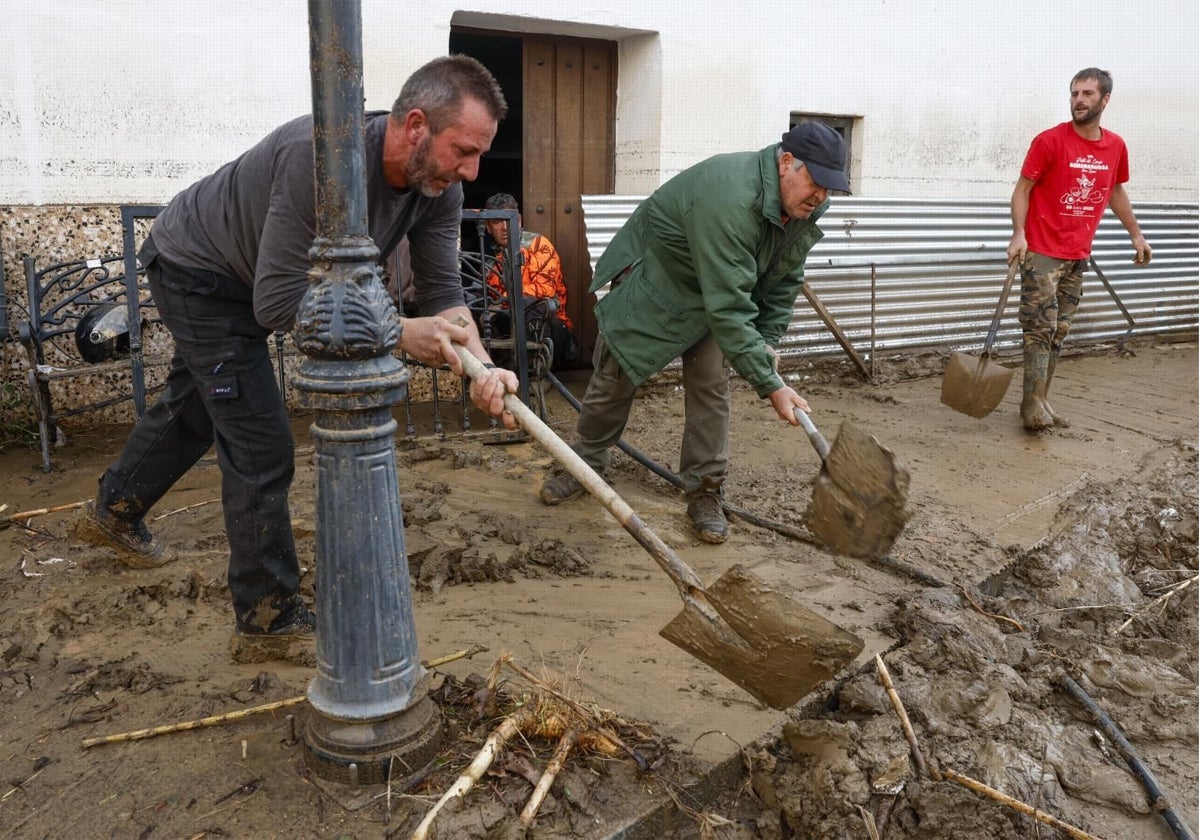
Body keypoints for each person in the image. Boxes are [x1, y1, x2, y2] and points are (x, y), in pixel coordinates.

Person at [76, 55, 519, 661]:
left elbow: (445, 296)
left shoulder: (438, 189)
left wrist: (481, 366)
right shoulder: (321, 161)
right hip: (198, 270)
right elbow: (279, 300)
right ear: (415, 125)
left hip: (249, 275)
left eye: (478, 155)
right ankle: (267, 620)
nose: (470, 169)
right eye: (463, 150)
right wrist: (395, 332)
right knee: (260, 442)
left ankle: (114, 507)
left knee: (203, 406)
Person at [539, 122, 850, 544]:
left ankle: (705, 490)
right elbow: (729, 306)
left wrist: (768, 340)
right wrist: (770, 384)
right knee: (616, 373)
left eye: (831, 190)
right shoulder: (730, 197)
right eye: (816, 183)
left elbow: (784, 276)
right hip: (659, 281)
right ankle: (584, 462)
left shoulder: (804, 205)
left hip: (718, 290)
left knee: (710, 384)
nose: (821, 197)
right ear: (787, 162)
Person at [1007, 67, 1152, 432]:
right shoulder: (1050, 141)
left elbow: (1115, 191)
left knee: (1059, 330)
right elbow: (1023, 188)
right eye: (1074, 94)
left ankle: (1041, 399)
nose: (1079, 101)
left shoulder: (1115, 146)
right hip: (1041, 251)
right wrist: (1018, 234)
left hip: (1077, 254)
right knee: (1039, 328)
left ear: (1105, 100)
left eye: (1087, 94)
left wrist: (1136, 235)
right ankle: (1031, 408)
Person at [479, 192, 580, 370]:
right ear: (487, 227)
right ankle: (499, 369)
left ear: (518, 220)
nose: (504, 227)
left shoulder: (538, 245)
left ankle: (535, 372)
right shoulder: (489, 262)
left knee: (533, 304)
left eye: (508, 221)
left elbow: (545, 289)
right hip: (510, 324)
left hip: (550, 325)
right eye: (496, 222)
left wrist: (502, 302)